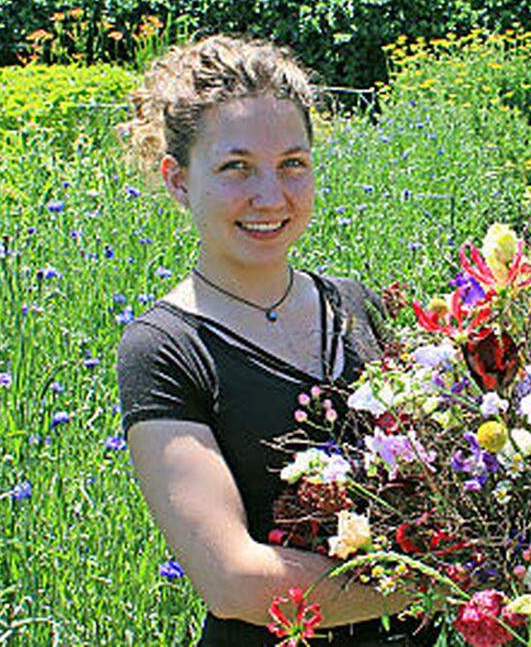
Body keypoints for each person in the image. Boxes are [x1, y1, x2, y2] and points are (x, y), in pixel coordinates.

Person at [113, 35, 428, 645]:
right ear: (177, 181)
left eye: (292, 163)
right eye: (236, 168)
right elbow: (234, 581)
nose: (270, 196)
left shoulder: (358, 305)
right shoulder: (165, 349)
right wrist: (446, 584)